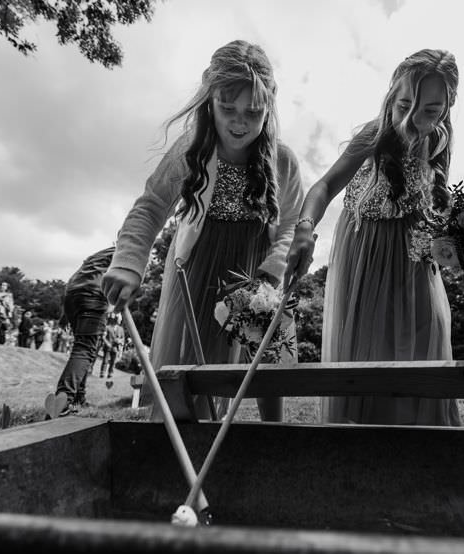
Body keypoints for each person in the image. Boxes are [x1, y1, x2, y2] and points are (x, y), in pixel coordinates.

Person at [103, 40, 303, 422]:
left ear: (270, 106)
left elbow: (291, 221)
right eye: (227, 108)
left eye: (254, 112)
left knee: (268, 361)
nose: (239, 122)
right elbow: (150, 207)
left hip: (255, 275)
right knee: (189, 370)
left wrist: (275, 266)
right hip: (197, 271)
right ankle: (182, 445)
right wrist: (129, 262)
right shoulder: (190, 150)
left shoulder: (283, 160)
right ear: (209, 99)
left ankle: (273, 441)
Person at [282, 49, 461, 426]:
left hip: (413, 257)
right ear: (390, 98)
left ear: (446, 110)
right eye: (404, 105)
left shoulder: (441, 141)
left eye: (430, 111)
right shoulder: (373, 134)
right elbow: (324, 185)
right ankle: (367, 445)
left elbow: (435, 205)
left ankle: (426, 445)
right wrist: (304, 229)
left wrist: (459, 237)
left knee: (428, 334)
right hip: (365, 254)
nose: (413, 120)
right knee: (371, 349)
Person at [46, 247, 114, 418]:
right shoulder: (130, 248)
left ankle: (78, 398)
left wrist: (65, 313)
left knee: (83, 350)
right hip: (93, 296)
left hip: (73, 296)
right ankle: (63, 401)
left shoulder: (98, 255)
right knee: (85, 350)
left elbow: (75, 277)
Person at [101, 315, 125, 379]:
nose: (120, 320)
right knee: (105, 361)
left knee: (113, 362)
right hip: (108, 346)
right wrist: (107, 343)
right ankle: (102, 373)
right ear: (116, 319)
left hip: (115, 348)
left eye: (121, 319)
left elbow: (123, 339)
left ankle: (110, 374)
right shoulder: (107, 327)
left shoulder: (121, 329)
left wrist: (119, 341)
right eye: (119, 319)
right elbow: (103, 337)